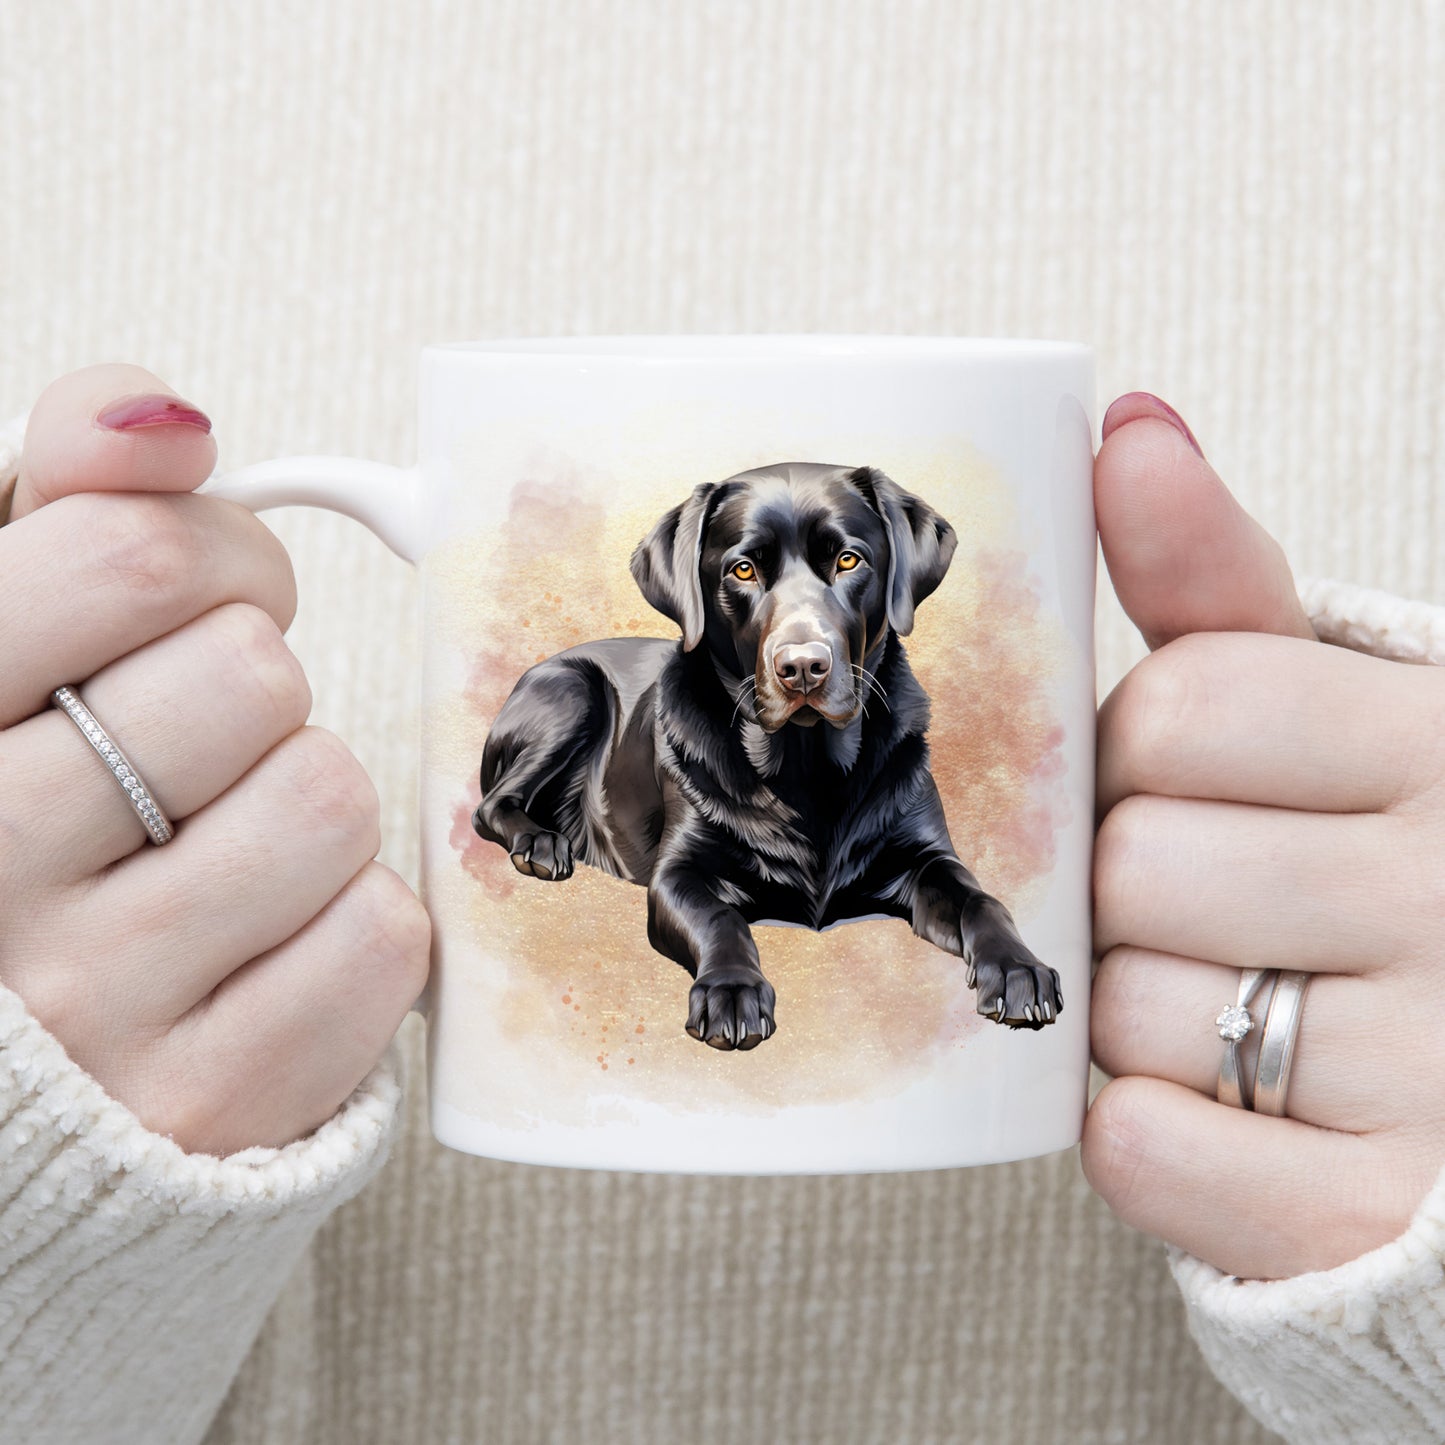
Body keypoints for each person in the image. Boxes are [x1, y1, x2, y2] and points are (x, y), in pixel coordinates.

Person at [1, 365, 1443, 1445]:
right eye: (754, 575)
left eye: (844, 567)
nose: (804, 621)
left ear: (895, 578)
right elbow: (687, 879)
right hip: (622, 744)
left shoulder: (893, 729)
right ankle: (534, 812)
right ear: (702, 588)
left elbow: (929, 873)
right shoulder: (658, 696)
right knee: (575, 717)